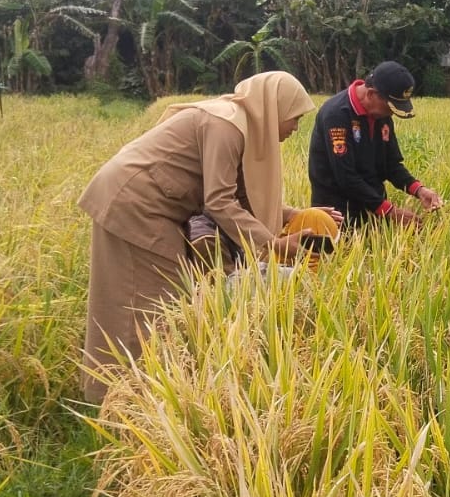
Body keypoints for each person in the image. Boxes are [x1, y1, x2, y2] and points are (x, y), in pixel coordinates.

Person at [78, 71, 340, 405]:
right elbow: (219, 201)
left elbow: (239, 193)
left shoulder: (241, 126)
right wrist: (273, 244)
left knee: (152, 300)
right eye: (295, 117)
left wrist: (290, 216)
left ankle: (133, 395)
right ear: (275, 107)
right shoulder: (227, 125)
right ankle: (126, 400)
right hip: (139, 204)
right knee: (156, 301)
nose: (295, 128)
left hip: (147, 204)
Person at [308, 61, 443, 227]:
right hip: (337, 213)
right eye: (390, 108)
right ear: (371, 94)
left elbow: (390, 165)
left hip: (373, 207)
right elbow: (345, 176)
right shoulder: (336, 115)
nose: (391, 114)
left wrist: (419, 190)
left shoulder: (381, 115)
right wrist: (390, 211)